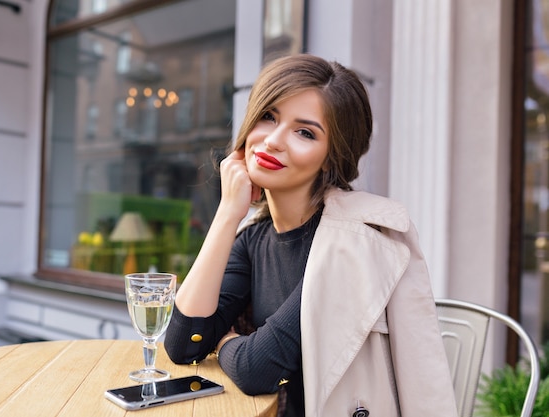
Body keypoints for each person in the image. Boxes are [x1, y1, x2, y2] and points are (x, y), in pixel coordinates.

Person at [164, 53, 458, 417]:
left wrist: (221, 340)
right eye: (268, 116)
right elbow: (182, 345)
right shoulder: (255, 237)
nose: (272, 141)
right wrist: (226, 214)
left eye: (304, 132)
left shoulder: (354, 240)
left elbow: (257, 369)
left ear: (332, 156)